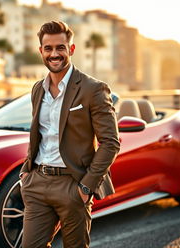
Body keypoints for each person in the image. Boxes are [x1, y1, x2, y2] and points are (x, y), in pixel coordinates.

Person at [20, 20, 120, 248]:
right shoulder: (37, 89)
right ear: (41, 51)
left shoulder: (93, 89)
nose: (54, 54)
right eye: (48, 48)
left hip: (72, 184)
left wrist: (86, 187)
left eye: (60, 48)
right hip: (37, 183)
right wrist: (27, 172)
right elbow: (39, 134)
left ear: (71, 49)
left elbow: (110, 143)